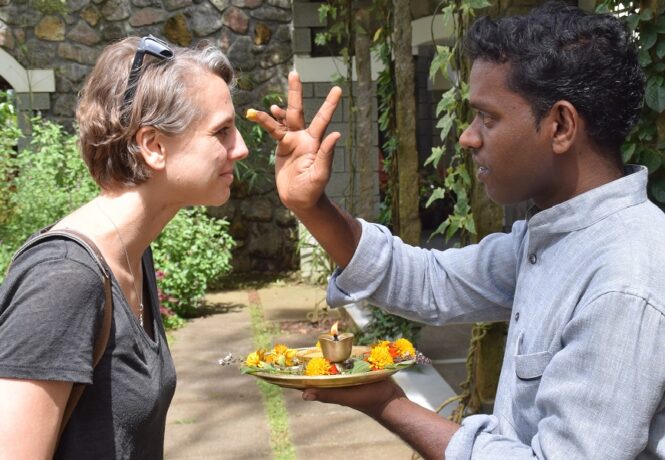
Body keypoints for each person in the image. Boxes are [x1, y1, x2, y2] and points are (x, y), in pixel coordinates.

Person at [250, 2, 665, 459]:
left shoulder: (623, 281)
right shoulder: (555, 238)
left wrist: (389, 404)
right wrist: (313, 206)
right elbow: (432, 283)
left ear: (561, 125)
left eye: (488, 118)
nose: (468, 138)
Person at [0, 35, 248, 458]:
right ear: (153, 146)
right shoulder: (63, 280)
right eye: (221, 131)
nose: (240, 148)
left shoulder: (134, 253)